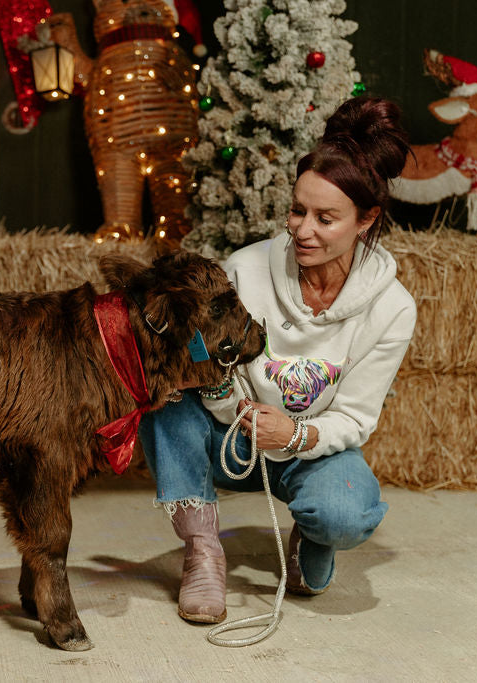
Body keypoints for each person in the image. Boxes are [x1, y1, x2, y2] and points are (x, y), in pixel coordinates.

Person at [138, 96, 416, 624]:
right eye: (297, 210)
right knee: (164, 399)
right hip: (230, 434)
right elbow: (204, 365)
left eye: (326, 218)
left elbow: (354, 417)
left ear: (366, 219)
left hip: (308, 446)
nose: (302, 229)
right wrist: (229, 405)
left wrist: (294, 436)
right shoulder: (243, 269)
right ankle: (202, 552)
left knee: (345, 515)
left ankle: (313, 534)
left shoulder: (393, 308)